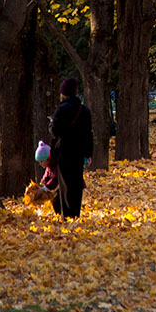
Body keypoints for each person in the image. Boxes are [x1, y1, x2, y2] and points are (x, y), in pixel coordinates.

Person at [48, 77, 94, 218]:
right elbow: (88, 133)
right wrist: (89, 153)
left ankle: (66, 214)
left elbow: (55, 131)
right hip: (79, 151)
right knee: (76, 181)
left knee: (65, 182)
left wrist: (51, 125)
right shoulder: (84, 110)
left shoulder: (61, 110)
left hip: (64, 150)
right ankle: (76, 213)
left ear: (63, 93)